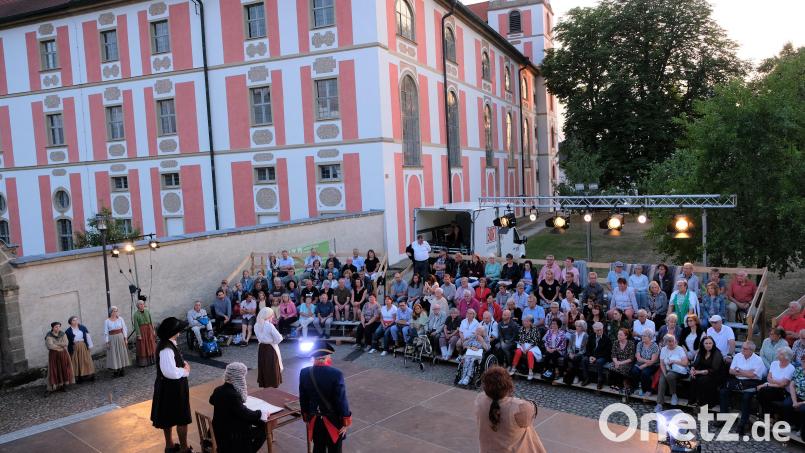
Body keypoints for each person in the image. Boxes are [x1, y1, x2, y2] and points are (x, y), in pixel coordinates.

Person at [476, 367, 546, 452]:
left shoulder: (480, 399)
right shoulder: (519, 407)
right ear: (509, 385)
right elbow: (531, 414)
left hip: (487, 449)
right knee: (527, 430)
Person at [299, 340, 352, 453]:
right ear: (327, 356)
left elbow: (303, 398)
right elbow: (341, 400)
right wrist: (346, 421)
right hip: (333, 421)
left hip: (314, 419)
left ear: (314, 357)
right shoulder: (336, 374)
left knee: (318, 447)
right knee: (335, 449)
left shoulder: (304, 372)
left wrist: (306, 417)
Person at [151, 317, 192, 453]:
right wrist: (185, 371)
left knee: (168, 416)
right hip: (172, 387)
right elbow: (170, 372)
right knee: (181, 418)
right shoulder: (166, 348)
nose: (180, 331)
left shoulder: (169, 344)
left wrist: (182, 363)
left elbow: (173, 363)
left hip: (169, 386)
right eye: (178, 329)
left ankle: (170, 446)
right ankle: (183, 448)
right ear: (173, 332)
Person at [209, 362, 266, 453]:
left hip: (219, 430)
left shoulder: (218, 389)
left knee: (253, 421)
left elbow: (211, 401)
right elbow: (244, 413)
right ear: (239, 378)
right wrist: (260, 413)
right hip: (231, 435)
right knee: (264, 427)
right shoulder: (233, 395)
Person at [720, 341, 767, 436]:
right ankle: (723, 419)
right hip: (738, 381)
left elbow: (753, 375)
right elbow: (731, 371)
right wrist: (746, 372)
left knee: (746, 397)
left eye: (745, 349)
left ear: (751, 350)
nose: (742, 350)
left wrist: (740, 370)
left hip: (751, 383)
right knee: (723, 392)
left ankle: (743, 423)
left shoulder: (758, 360)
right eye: (742, 348)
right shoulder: (738, 356)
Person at [757, 347, 795, 417]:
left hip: (782, 391)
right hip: (771, 387)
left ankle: (767, 415)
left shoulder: (791, 368)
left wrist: (767, 384)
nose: (777, 355)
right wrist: (778, 382)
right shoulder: (774, 363)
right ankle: (770, 416)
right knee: (761, 392)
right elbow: (768, 378)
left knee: (763, 391)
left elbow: (783, 385)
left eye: (780, 354)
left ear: (786, 357)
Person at [655, 334, 689, 411]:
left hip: (680, 371)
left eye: (672, 341)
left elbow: (685, 363)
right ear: (666, 342)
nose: (671, 343)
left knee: (669, 375)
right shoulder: (664, 349)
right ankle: (659, 403)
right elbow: (662, 363)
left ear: (675, 341)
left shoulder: (679, 349)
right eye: (669, 341)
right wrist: (664, 373)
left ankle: (674, 395)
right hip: (668, 369)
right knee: (662, 380)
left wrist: (674, 361)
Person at [688, 336, 724, 407]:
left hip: (715, 374)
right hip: (703, 372)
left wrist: (698, 372)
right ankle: (695, 400)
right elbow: (695, 363)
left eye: (710, 343)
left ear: (713, 344)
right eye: (706, 343)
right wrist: (692, 369)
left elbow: (714, 369)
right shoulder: (701, 351)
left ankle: (705, 403)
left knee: (702, 380)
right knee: (693, 378)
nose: (708, 345)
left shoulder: (717, 353)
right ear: (702, 344)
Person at [253, 307, 283, 389]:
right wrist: (273, 341)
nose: (272, 316)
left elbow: (258, 337)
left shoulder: (256, 324)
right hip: (270, 347)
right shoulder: (269, 325)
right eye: (271, 315)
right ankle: (273, 382)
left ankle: (264, 382)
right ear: (268, 315)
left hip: (262, 347)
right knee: (272, 365)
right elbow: (279, 338)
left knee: (264, 364)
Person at [509, 315, 541, 380]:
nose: (524, 322)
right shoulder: (522, 328)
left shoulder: (535, 329)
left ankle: (530, 371)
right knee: (518, 351)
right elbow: (521, 340)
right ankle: (513, 367)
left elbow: (535, 341)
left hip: (532, 346)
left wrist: (527, 349)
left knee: (530, 353)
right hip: (523, 345)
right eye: (524, 321)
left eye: (526, 321)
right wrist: (523, 348)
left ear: (531, 322)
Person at [582, 322, 612, 390]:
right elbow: (588, 348)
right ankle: (586, 378)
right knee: (584, 360)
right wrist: (590, 356)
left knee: (599, 362)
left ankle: (600, 380)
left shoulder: (607, 339)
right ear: (594, 330)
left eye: (600, 330)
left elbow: (607, 352)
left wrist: (595, 357)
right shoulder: (591, 336)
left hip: (603, 357)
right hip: (592, 356)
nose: (599, 331)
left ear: (602, 329)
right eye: (597, 330)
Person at [45, 321, 74, 392]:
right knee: (55, 369)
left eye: (59, 326)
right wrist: (60, 346)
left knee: (63, 369)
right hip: (54, 355)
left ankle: (63, 385)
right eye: (56, 327)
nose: (58, 328)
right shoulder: (49, 335)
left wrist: (56, 344)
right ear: (52, 327)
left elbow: (66, 343)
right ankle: (56, 385)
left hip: (63, 354)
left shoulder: (63, 334)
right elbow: (50, 346)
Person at [65, 316, 95, 383]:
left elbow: (88, 337)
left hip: (83, 346)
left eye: (76, 320)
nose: (75, 322)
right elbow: (67, 341)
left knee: (86, 361)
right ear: (70, 322)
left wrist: (90, 346)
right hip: (75, 347)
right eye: (73, 320)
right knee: (77, 362)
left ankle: (89, 375)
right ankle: (79, 378)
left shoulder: (82, 328)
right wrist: (72, 343)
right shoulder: (68, 331)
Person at [630, 329, 659, 397]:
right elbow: (638, 357)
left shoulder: (655, 346)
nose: (642, 337)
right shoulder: (640, 344)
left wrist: (644, 365)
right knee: (634, 371)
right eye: (642, 335)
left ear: (650, 337)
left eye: (645, 336)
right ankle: (636, 387)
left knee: (645, 372)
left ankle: (647, 390)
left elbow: (653, 361)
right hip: (641, 363)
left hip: (652, 365)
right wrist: (646, 361)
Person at [105, 306, 130, 377]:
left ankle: (122, 370)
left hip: (120, 337)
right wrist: (107, 342)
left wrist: (125, 338)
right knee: (114, 354)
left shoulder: (120, 319)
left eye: (116, 311)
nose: (116, 312)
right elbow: (106, 332)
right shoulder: (107, 321)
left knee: (121, 353)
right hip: (112, 339)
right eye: (114, 311)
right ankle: (116, 370)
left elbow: (124, 328)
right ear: (111, 312)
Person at [131, 301, 157, 367]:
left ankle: (153, 360)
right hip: (142, 331)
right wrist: (138, 334)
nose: (142, 305)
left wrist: (153, 330)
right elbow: (136, 325)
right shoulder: (136, 314)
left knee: (151, 344)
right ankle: (144, 363)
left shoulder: (147, 311)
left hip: (149, 329)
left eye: (143, 304)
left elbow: (151, 321)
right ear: (138, 306)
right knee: (143, 345)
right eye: (140, 304)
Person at [563, 320, 588, 385]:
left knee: (576, 359)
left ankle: (576, 376)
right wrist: (570, 353)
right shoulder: (573, 335)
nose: (577, 327)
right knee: (566, 357)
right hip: (573, 351)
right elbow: (569, 346)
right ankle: (566, 373)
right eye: (576, 326)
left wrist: (576, 354)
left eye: (579, 326)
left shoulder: (586, 336)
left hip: (581, 353)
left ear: (583, 327)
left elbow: (584, 349)